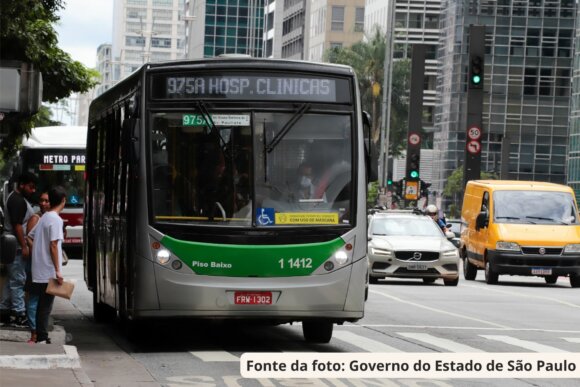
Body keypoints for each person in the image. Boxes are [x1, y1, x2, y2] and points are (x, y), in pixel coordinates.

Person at [28, 186, 66, 344]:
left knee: (41, 304)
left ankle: (40, 335)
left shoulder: (44, 217)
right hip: (48, 270)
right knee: (45, 305)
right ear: (63, 200)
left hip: (39, 268)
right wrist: (58, 270)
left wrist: (37, 253)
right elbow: (53, 245)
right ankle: (42, 337)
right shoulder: (56, 219)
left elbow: (30, 235)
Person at [0, 172, 37, 328]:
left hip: (12, 245)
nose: (33, 190)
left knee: (11, 280)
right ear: (22, 185)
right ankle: (18, 314)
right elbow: (17, 226)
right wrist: (24, 246)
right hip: (15, 246)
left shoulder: (16, 198)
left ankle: (5, 310)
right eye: (30, 187)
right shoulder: (17, 201)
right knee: (18, 280)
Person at [24, 192, 50, 343]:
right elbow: (29, 238)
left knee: (43, 302)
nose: (44, 203)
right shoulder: (36, 218)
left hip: (44, 267)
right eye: (42, 200)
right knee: (34, 300)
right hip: (35, 266)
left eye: (47, 201)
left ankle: (40, 333)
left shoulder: (50, 218)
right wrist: (38, 255)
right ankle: (34, 332)